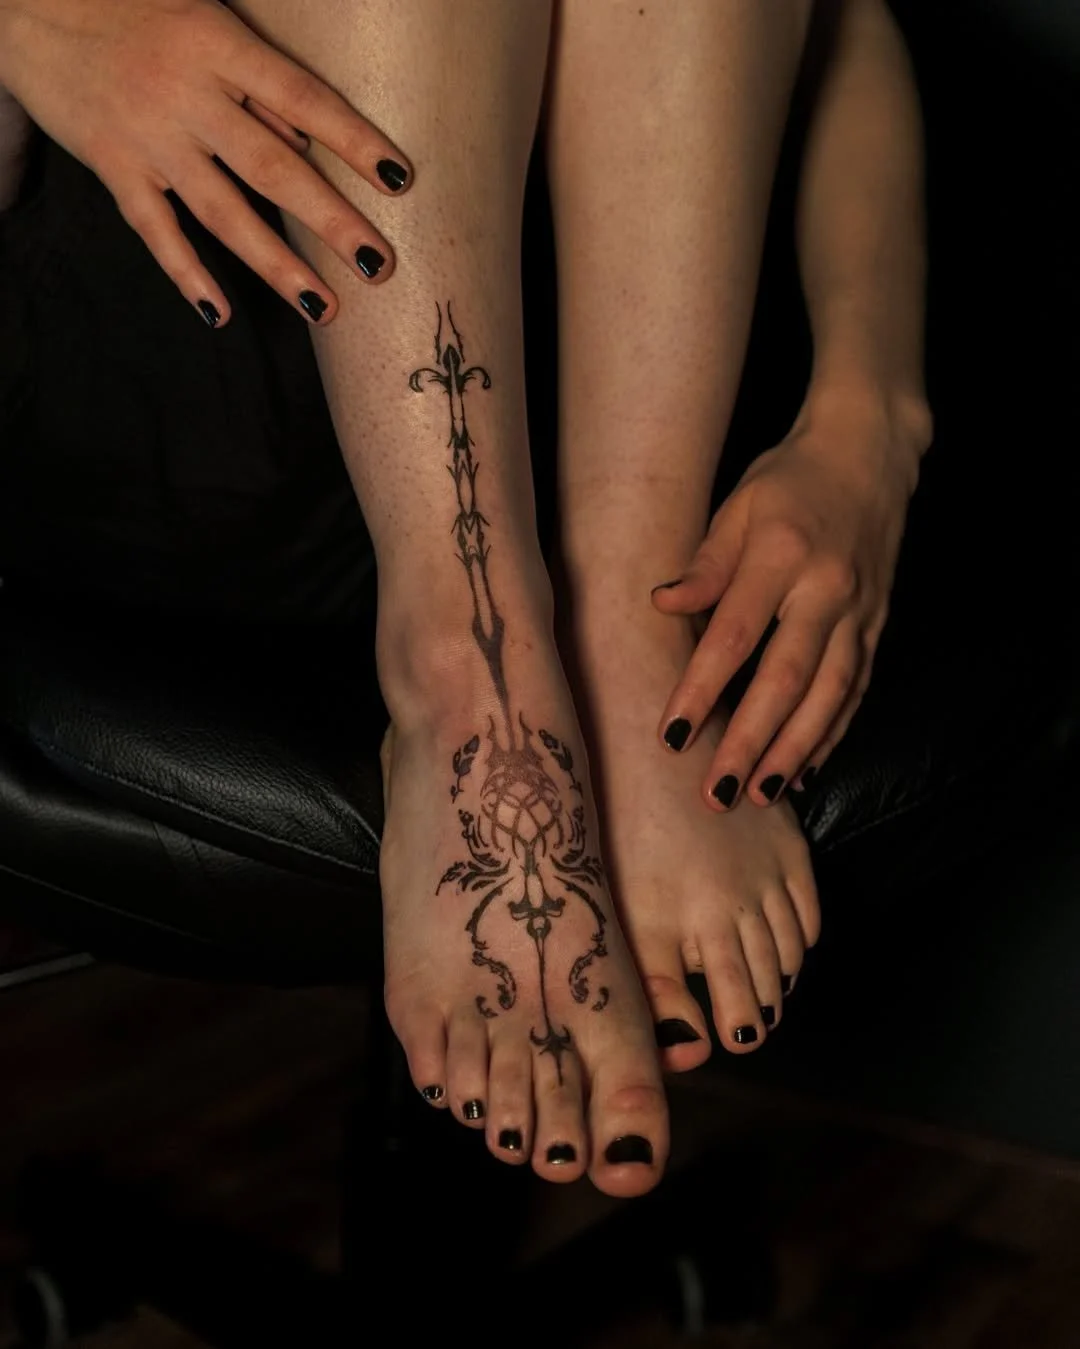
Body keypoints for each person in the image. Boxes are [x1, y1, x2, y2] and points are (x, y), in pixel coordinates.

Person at [0, 0, 930, 1199]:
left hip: (612, 399)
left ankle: (624, 622)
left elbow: (842, 23)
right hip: (163, 376)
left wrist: (869, 419)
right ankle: (466, 679)